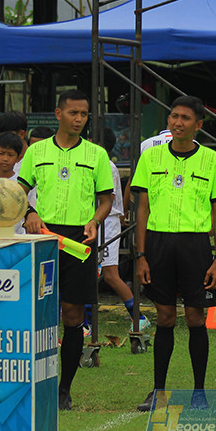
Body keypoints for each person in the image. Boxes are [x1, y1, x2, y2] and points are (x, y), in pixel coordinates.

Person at [130, 98, 216, 413]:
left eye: (186, 118)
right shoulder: (151, 157)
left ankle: (199, 392)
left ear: (198, 125)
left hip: (195, 246)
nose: (178, 122)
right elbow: (142, 209)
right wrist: (141, 254)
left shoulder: (213, 161)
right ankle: (158, 391)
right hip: (158, 246)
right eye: (174, 116)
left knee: (195, 317)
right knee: (165, 316)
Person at [19, 89, 113, 411]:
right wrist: (28, 213)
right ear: (58, 114)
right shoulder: (36, 151)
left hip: (78, 241)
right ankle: (31, 383)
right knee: (37, 312)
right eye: (73, 113)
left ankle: (64, 389)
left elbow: (107, 200)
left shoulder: (96, 155)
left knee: (73, 315)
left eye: (84, 114)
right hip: (43, 238)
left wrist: (95, 221)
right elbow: (18, 190)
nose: (79, 119)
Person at [89, 127, 149, 335]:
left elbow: (108, 198)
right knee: (94, 272)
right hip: (98, 220)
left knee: (110, 274)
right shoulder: (100, 162)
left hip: (107, 221)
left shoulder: (104, 164)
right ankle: (87, 322)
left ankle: (138, 316)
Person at [0, 132, 26, 234]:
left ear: (18, 158)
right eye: (1, 154)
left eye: (10, 155)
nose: (5, 159)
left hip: (18, 238)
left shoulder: (23, 183)